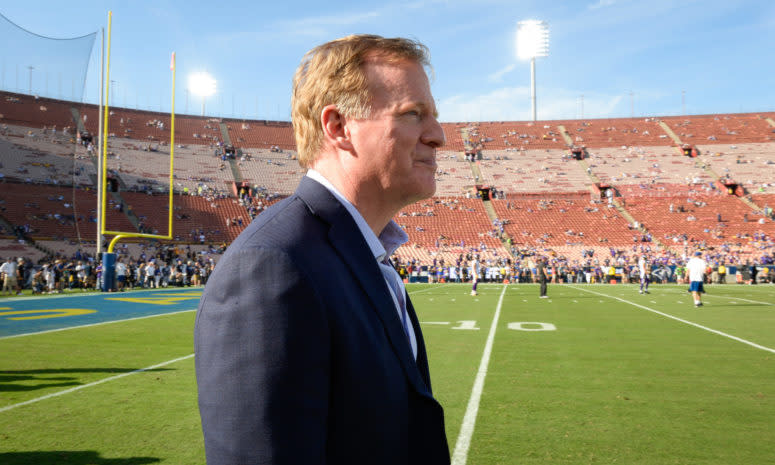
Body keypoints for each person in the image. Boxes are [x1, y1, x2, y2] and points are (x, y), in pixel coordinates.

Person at [194, 35, 449, 465]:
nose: (439, 136)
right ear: (338, 127)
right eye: (412, 114)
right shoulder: (274, 267)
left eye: (433, 116)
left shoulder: (359, 251)